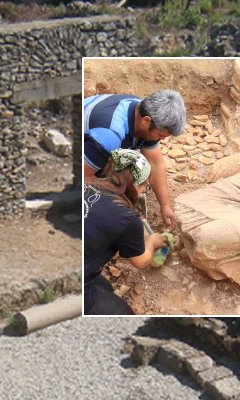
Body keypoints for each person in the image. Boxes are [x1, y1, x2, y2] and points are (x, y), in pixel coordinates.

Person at [83, 90, 187, 230]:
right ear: (146, 121)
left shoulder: (142, 111)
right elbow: (83, 178)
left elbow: (155, 163)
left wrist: (165, 206)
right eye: (161, 135)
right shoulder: (110, 134)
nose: (161, 139)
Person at [83, 149, 168, 315]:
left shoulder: (86, 185)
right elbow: (141, 262)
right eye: (145, 187)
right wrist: (151, 241)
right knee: (124, 314)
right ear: (137, 184)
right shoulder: (127, 217)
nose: (144, 191)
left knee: (105, 287)